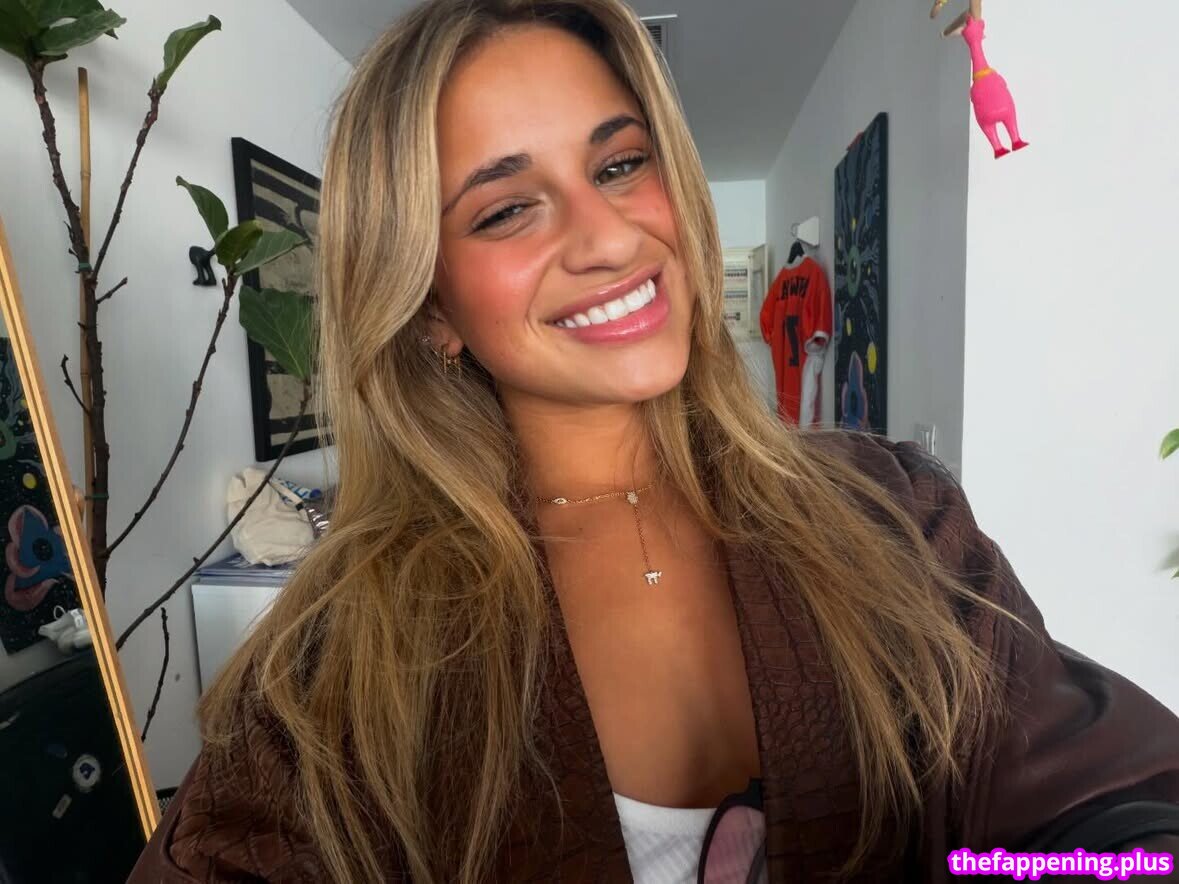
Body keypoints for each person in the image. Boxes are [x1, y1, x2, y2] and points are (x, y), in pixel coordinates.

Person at [128, 1, 1179, 881]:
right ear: (430, 305)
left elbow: (1105, 810)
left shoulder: (892, 508)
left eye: (621, 163)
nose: (608, 236)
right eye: (505, 211)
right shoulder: (338, 659)